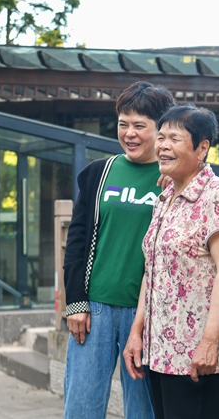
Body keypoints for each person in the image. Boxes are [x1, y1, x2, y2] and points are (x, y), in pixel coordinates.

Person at [62, 81, 175, 419]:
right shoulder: (99, 173)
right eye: (123, 124)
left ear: (162, 129)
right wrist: (75, 303)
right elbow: (77, 242)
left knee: (143, 411)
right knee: (81, 407)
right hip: (93, 310)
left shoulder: (173, 177)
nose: (130, 133)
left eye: (140, 125)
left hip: (148, 315)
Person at [123, 104, 219, 419]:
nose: (163, 146)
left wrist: (209, 342)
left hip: (197, 357)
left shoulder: (217, 195)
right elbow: (152, 270)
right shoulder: (164, 199)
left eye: (174, 139)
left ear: (202, 147)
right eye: (161, 137)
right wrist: (137, 332)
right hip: (160, 352)